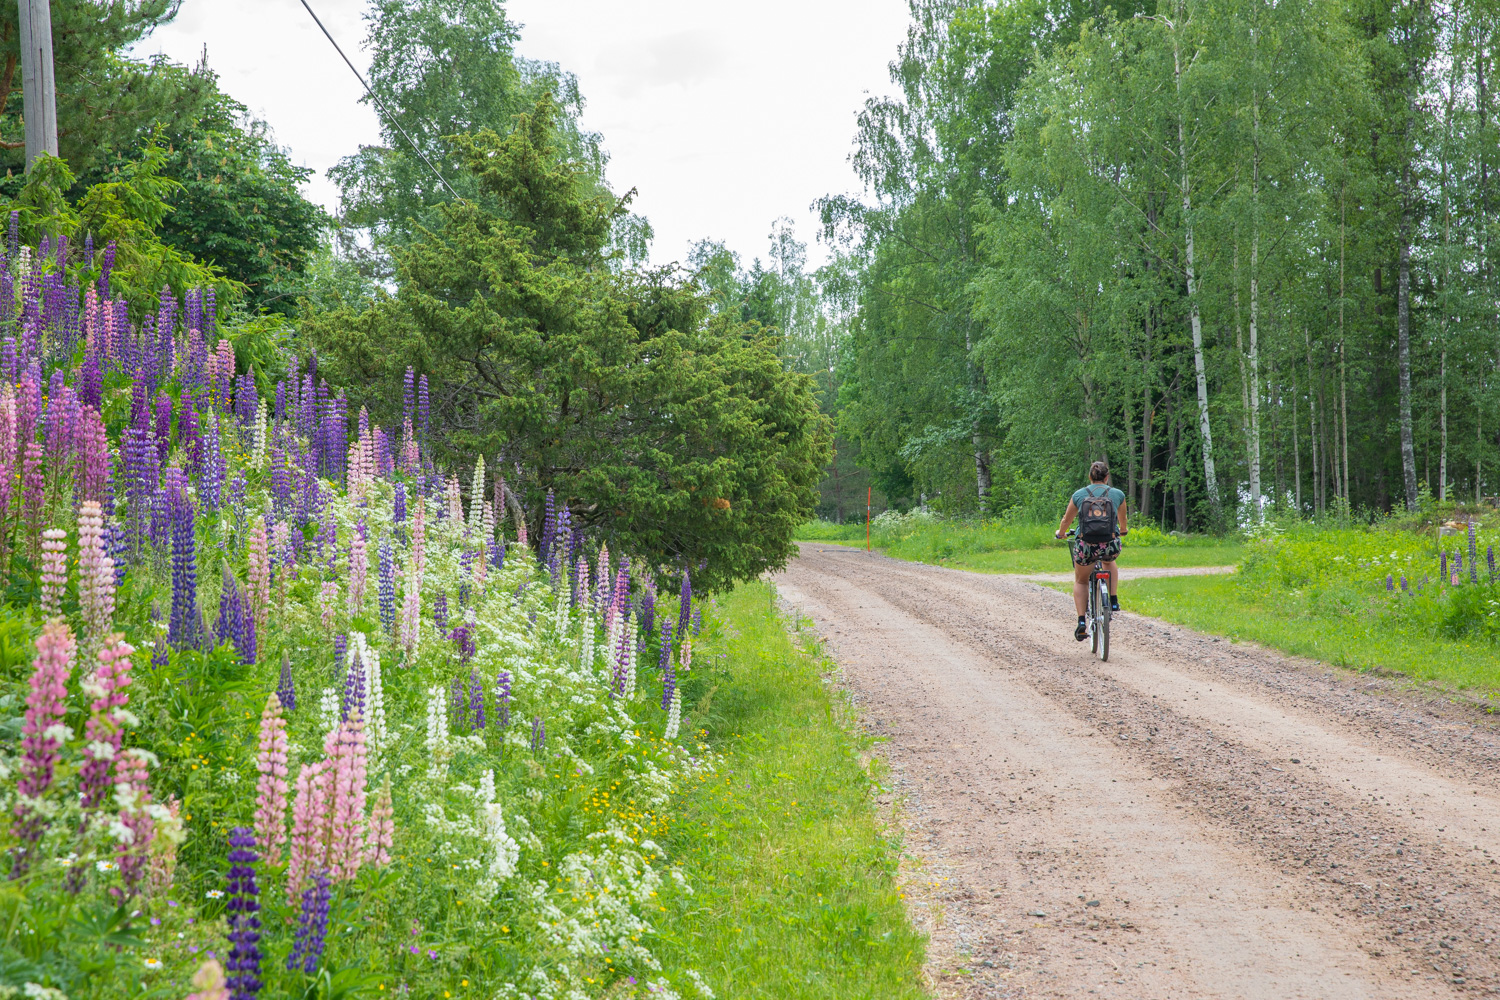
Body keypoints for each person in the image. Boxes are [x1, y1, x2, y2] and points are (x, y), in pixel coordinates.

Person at [1054, 461, 1128, 641]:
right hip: (1109, 545)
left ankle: (1081, 622)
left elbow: (1066, 520)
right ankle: (1113, 600)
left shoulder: (1079, 495)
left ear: (1089, 477)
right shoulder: (1117, 494)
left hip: (1085, 546)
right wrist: (1123, 530)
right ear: (1107, 477)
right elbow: (1122, 519)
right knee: (1109, 561)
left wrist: (1061, 533)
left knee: (1081, 580)